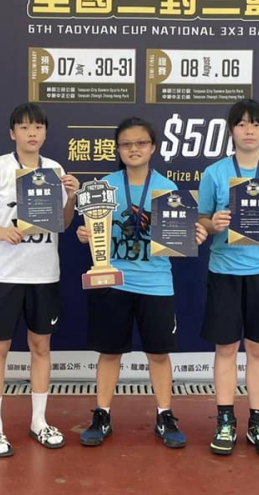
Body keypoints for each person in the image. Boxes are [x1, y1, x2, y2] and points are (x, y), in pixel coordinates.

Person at [76, 117, 207, 449]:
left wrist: (193, 236)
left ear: (153, 148)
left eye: (141, 143)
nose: (133, 149)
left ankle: (165, 415)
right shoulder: (103, 186)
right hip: (112, 280)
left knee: (159, 353)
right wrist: (84, 233)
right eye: (126, 144)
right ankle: (102, 414)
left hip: (156, 283)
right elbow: (90, 229)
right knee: (109, 353)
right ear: (118, 149)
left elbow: (178, 243)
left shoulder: (168, 189)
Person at [0, 103, 79, 457]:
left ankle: (39, 422)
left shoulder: (55, 170)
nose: (32, 133)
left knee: (41, 347)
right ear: (12, 133)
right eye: (25, 127)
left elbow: (63, 223)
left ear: (45, 132)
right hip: (5, 274)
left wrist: (71, 196)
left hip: (44, 274)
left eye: (38, 127)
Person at [197, 99, 259, 456]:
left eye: (255, 124)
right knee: (225, 349)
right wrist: (214, 223)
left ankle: (258, 422)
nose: (249, 130)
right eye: (241, 124)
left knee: (258, 349)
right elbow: (202, 219)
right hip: (224, 271)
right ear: (231, 130)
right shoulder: (214, 173)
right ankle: (225, 421)